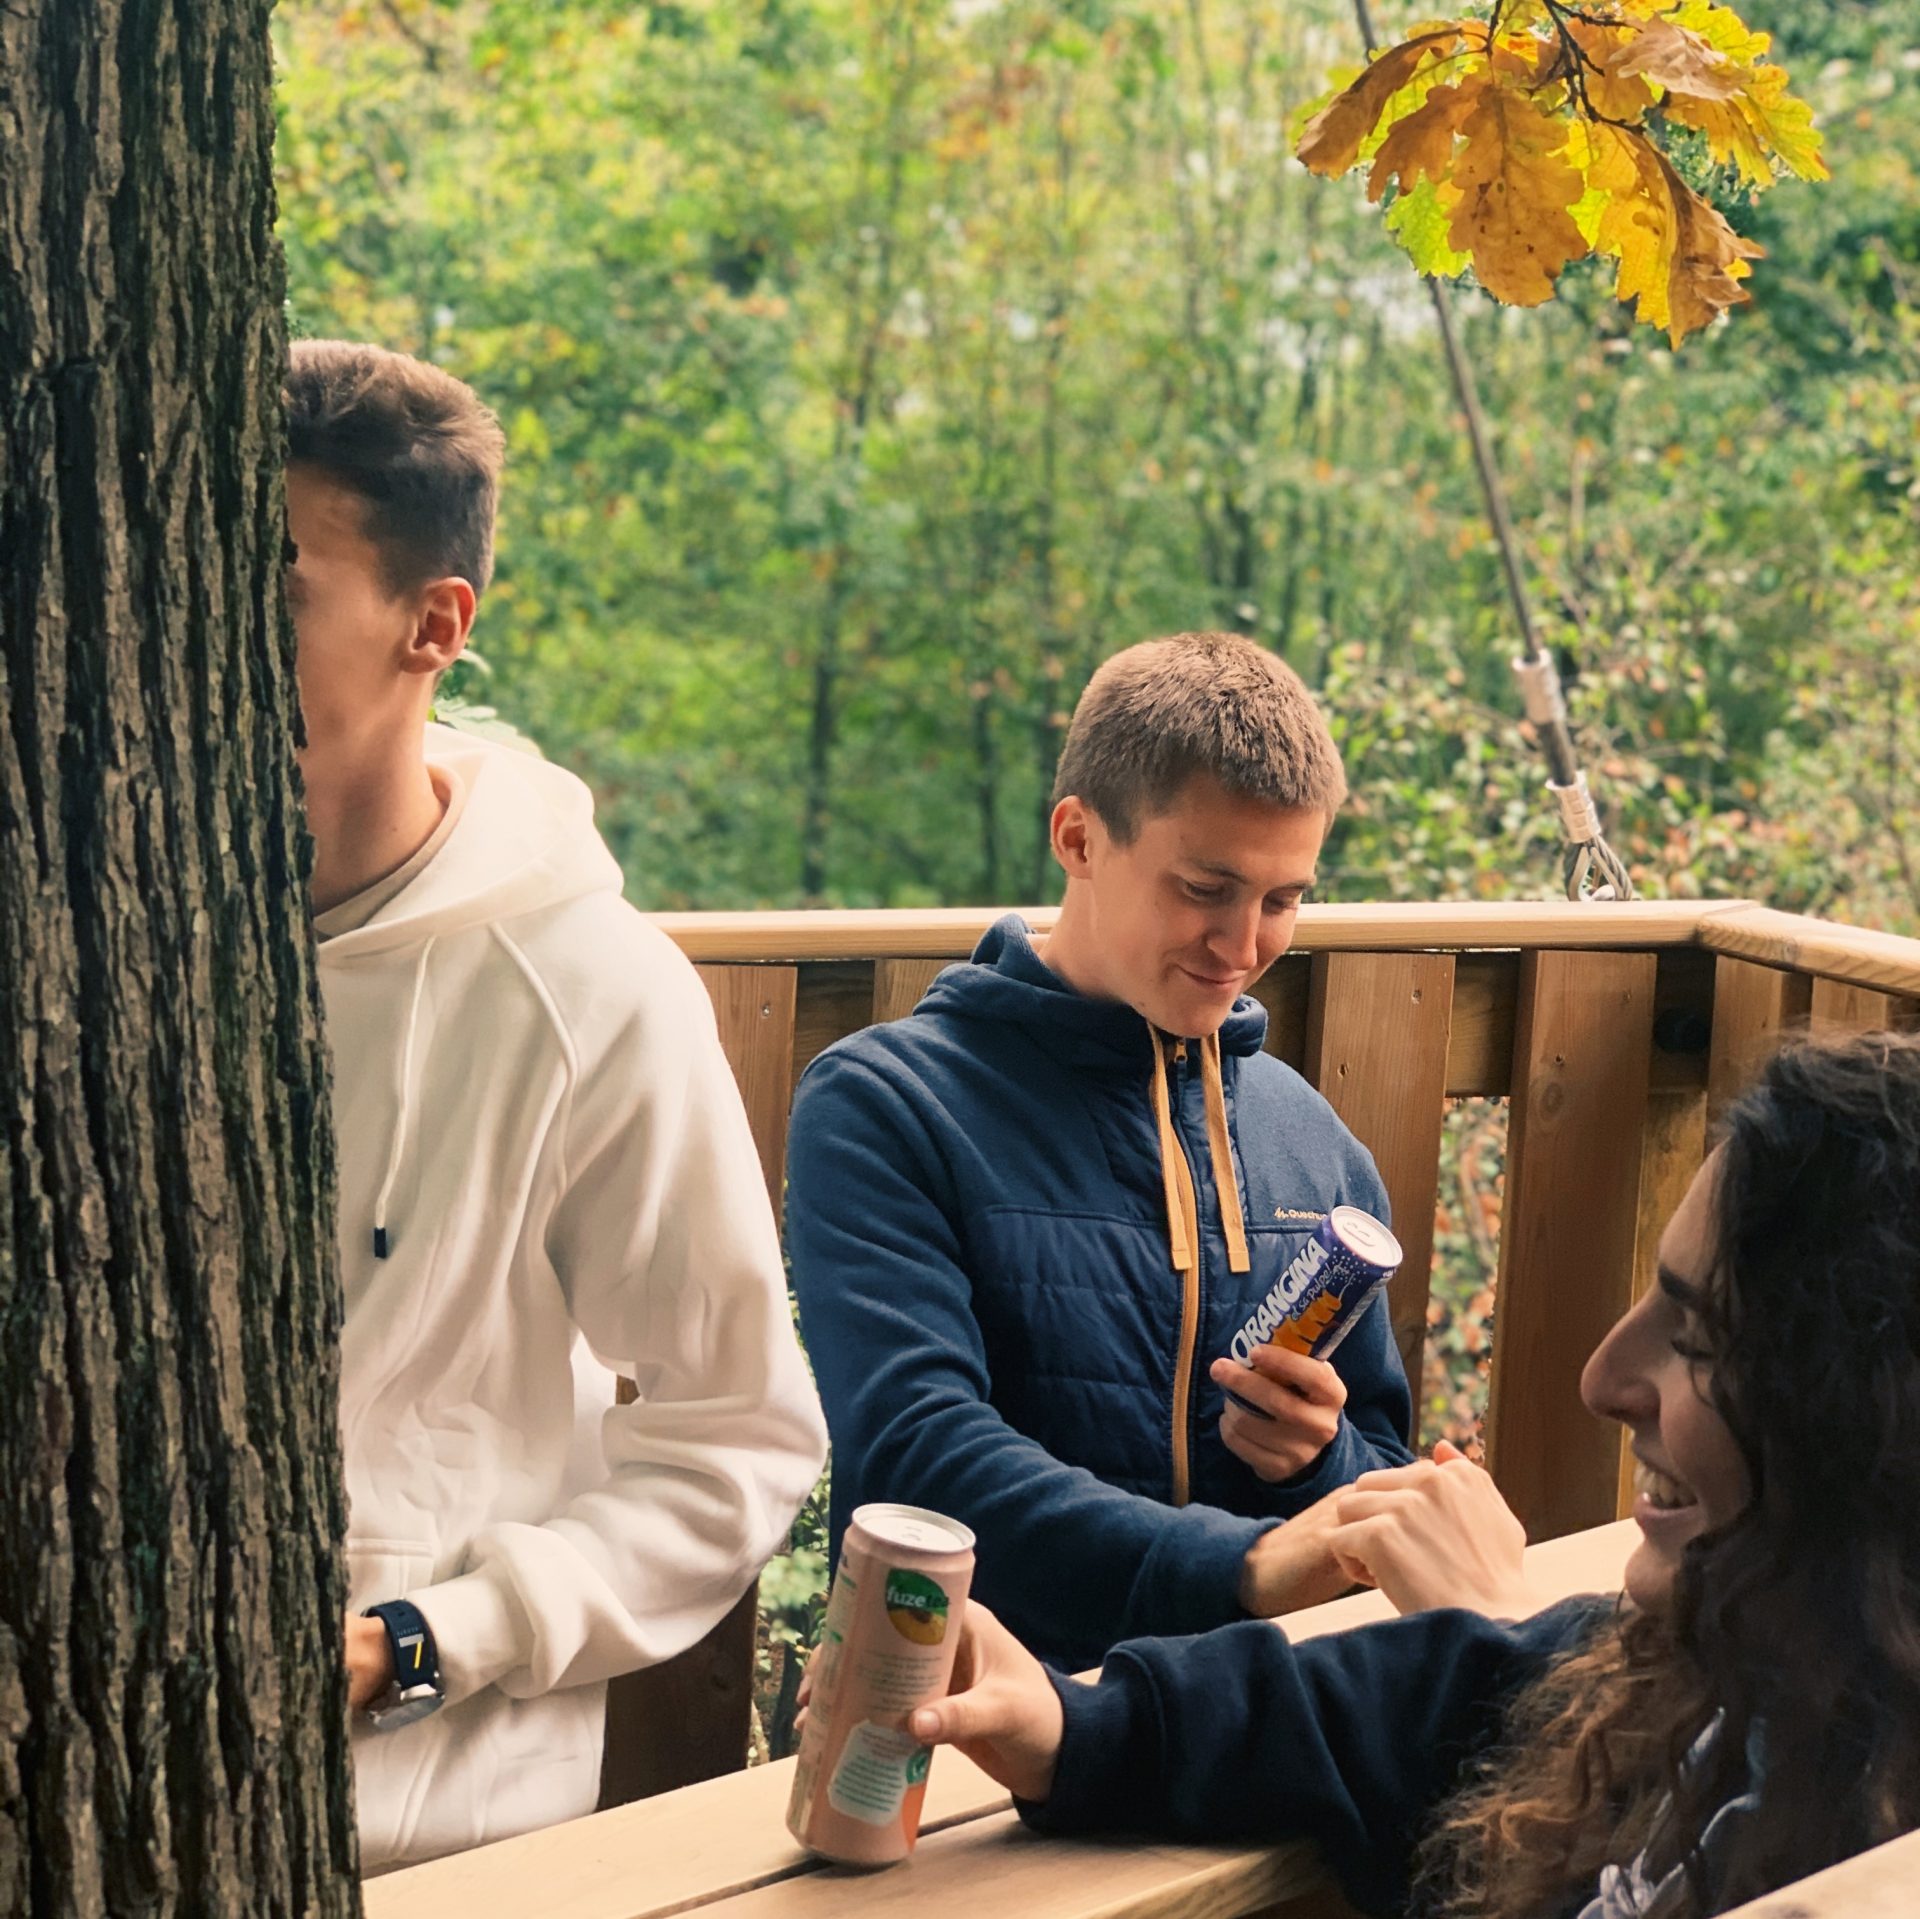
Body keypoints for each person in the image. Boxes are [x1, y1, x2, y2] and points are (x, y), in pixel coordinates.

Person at [909, 1032, 1920, 1917]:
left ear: (1870, 1424)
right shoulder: (1717, 1676)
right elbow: (1418, 1694)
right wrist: (1077, 1725)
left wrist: (1280, 1530)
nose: (1602, 1376)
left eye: (1698, 1337)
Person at [285, 340, 827, 1871]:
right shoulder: (95, 949)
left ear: (432, 624)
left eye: (275, 585)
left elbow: (738, 1441)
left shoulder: (589, 989)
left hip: (437, 1834)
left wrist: (420, 1637)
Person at [786, 633, 1415, 1671]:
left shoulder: (1315, 1144)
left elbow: (1372, 1480)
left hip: (1239, 1732)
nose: (1244, 943)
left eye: (1283, 898)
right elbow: (920, 1453)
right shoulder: (886, 1103)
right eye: (1204, 888)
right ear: (1077, 837)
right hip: (953, 1732)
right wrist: (1244, 1565)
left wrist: (1317, 1461)